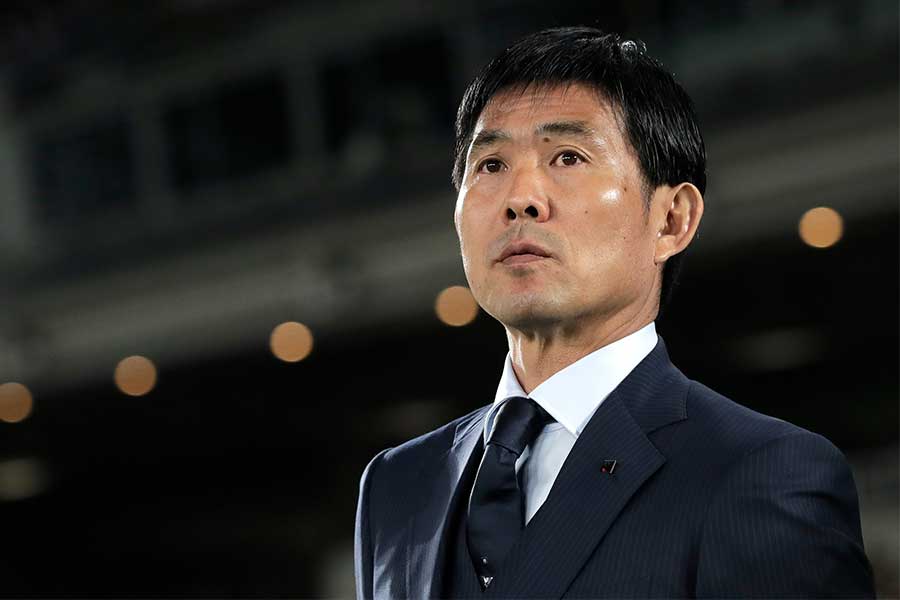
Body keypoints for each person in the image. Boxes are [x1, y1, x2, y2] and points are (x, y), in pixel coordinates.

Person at [354, 26, 875, 599]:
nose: (520, 198)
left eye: (568, 157)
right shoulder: (397, 486)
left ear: (672, 219)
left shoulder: (762, 473)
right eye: (491, 164)